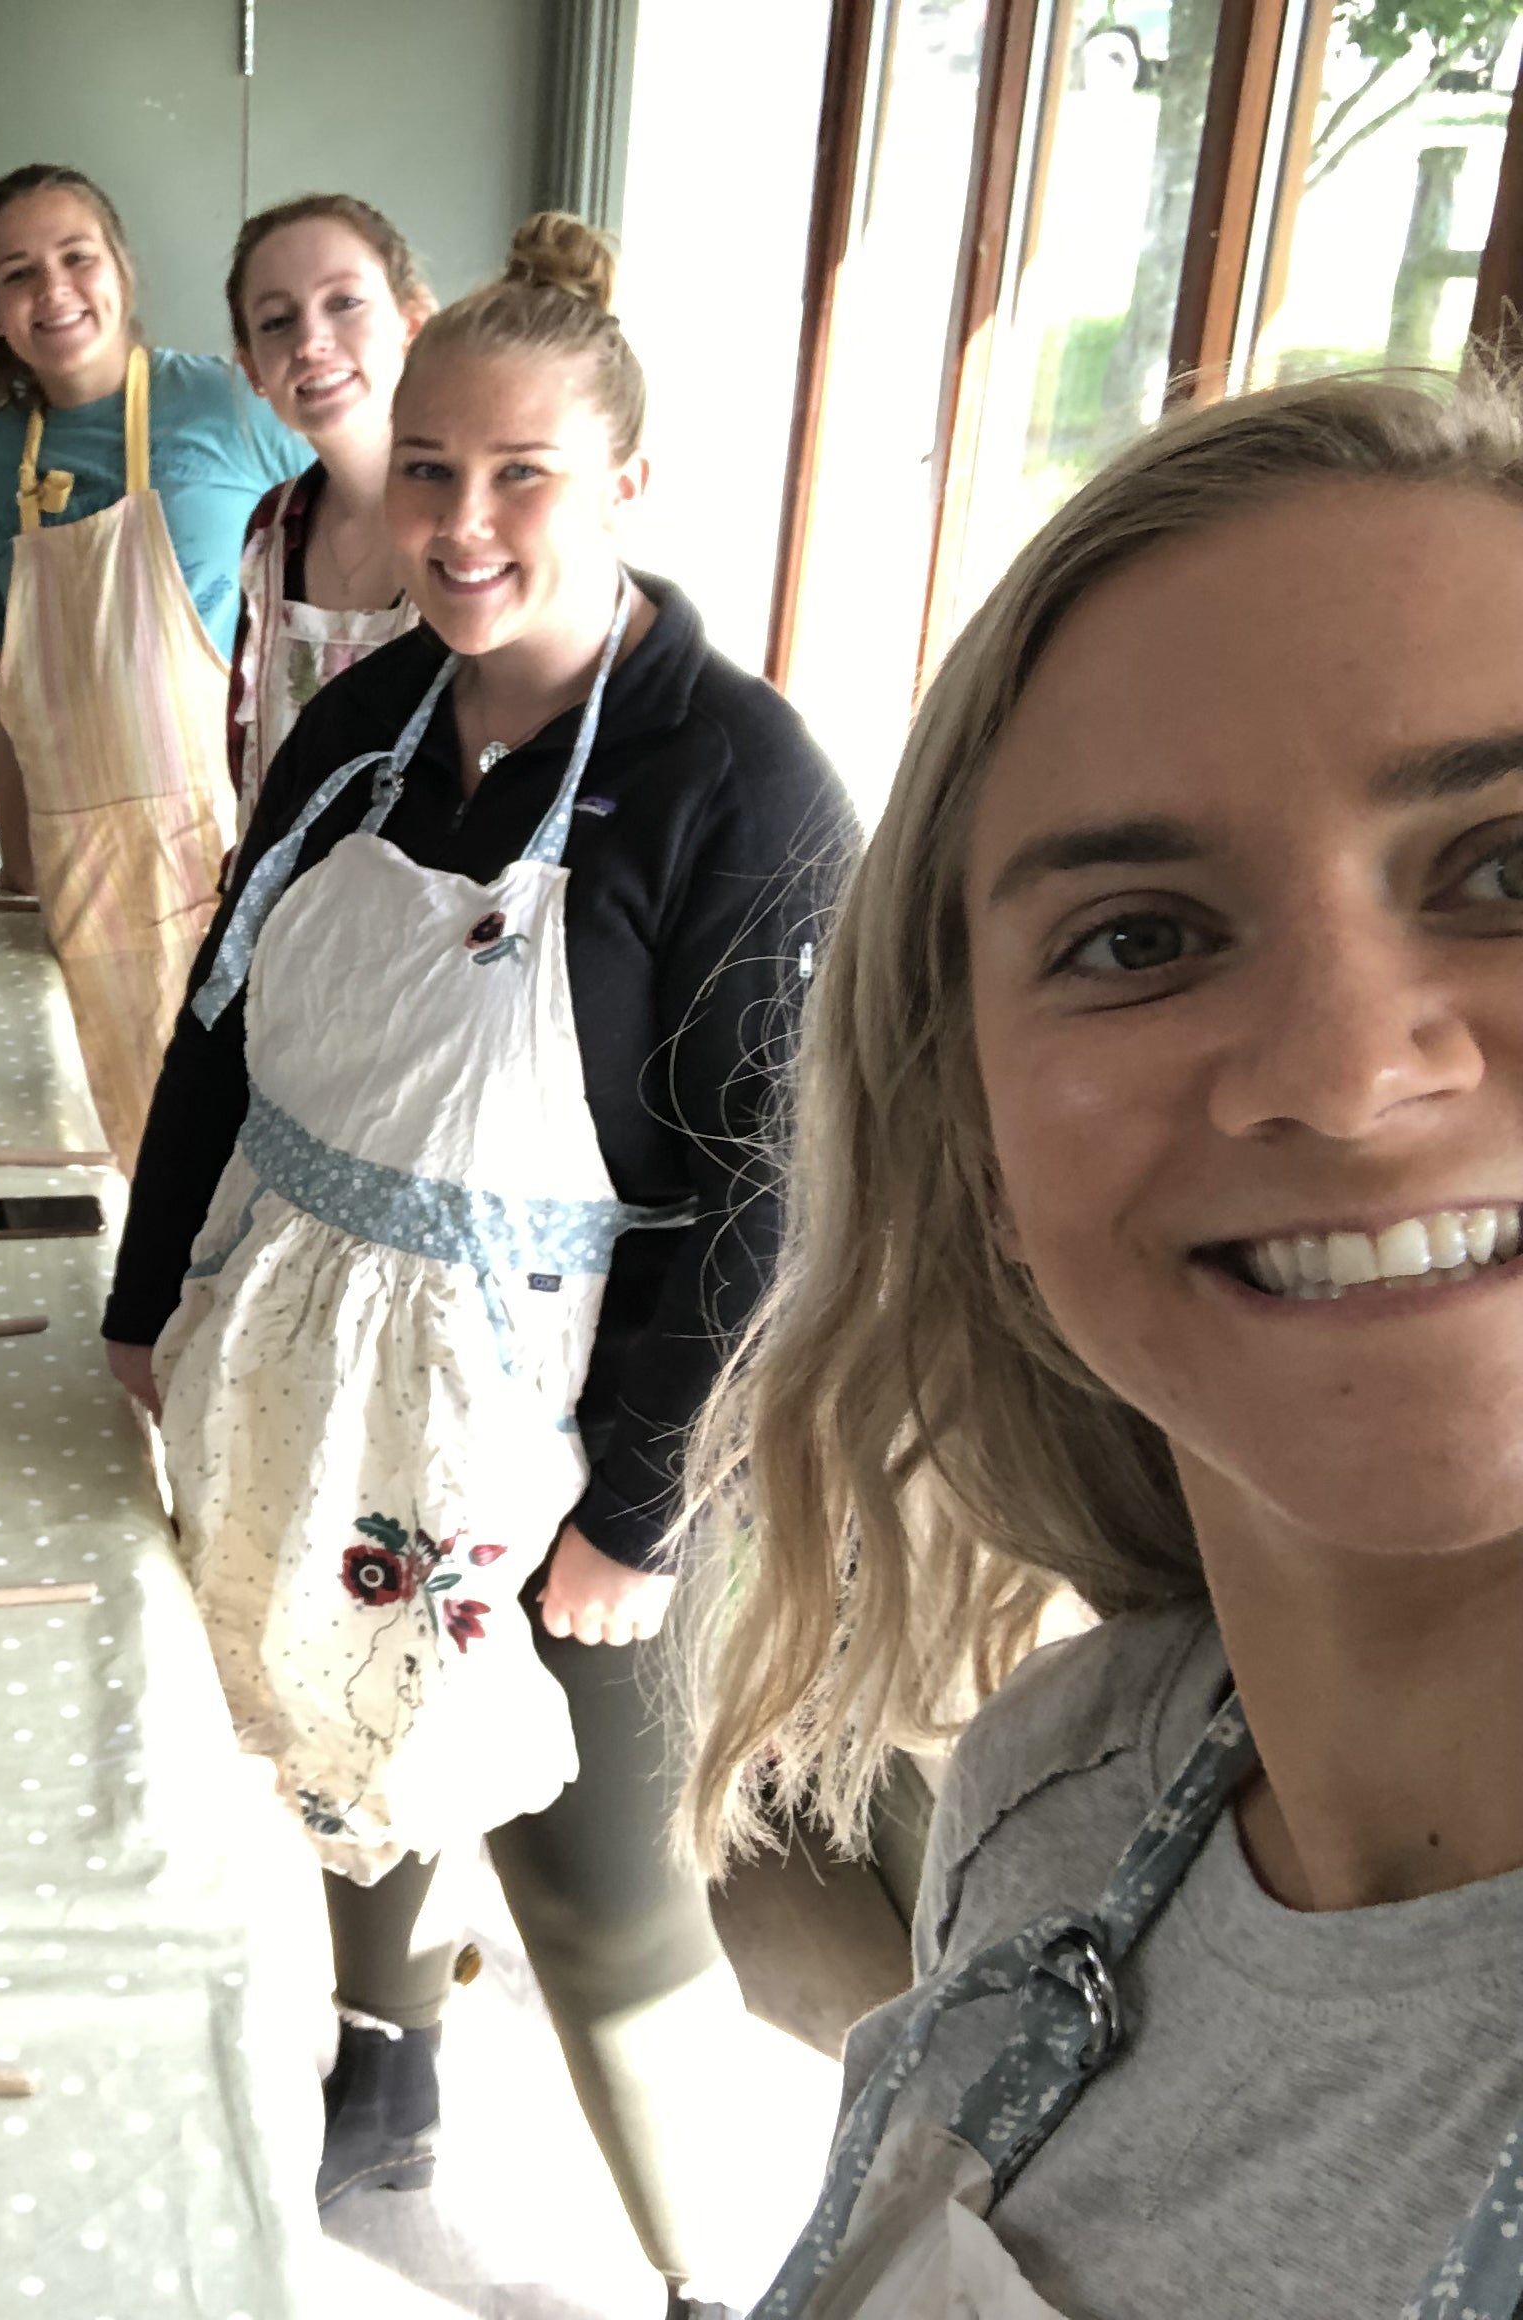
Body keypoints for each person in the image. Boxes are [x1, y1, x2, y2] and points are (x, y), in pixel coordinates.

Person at [684, 373, 1523, 2318]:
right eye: (1137, 938)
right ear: (970, 1147)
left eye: (1502, 869)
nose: (1338, 1072)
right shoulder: (1055, 1786)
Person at [100, 216, 851, 2309]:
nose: (458, 521)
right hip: (307, 1363)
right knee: (349, 1743)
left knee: (602, 1896)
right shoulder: (352, 729)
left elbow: (761, 1193)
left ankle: (723, 2275)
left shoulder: (736, 782)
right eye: (427, 467)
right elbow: (213, 1033)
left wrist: (624, 1509)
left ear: (623, 483)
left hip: (564, 1425)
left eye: (520, 472)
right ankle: (385, 2047)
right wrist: (143, 1295)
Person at [0, 162, 309, 1165]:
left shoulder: (234, 411)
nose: (52, 289)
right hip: (73, 877)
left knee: (233, 1145)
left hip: (218, 853)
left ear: (122, 271)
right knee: (104, 1154)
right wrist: (21, 873)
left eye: (75, 257)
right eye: (17, 274)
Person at [223, 194, 434, 824]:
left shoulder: (476, 527)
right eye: (276, 322)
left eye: (343, 303)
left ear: (411, 324)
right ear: (253, 371)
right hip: (285, 910)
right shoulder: (271, 530)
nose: (311, 340)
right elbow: (252, 767)